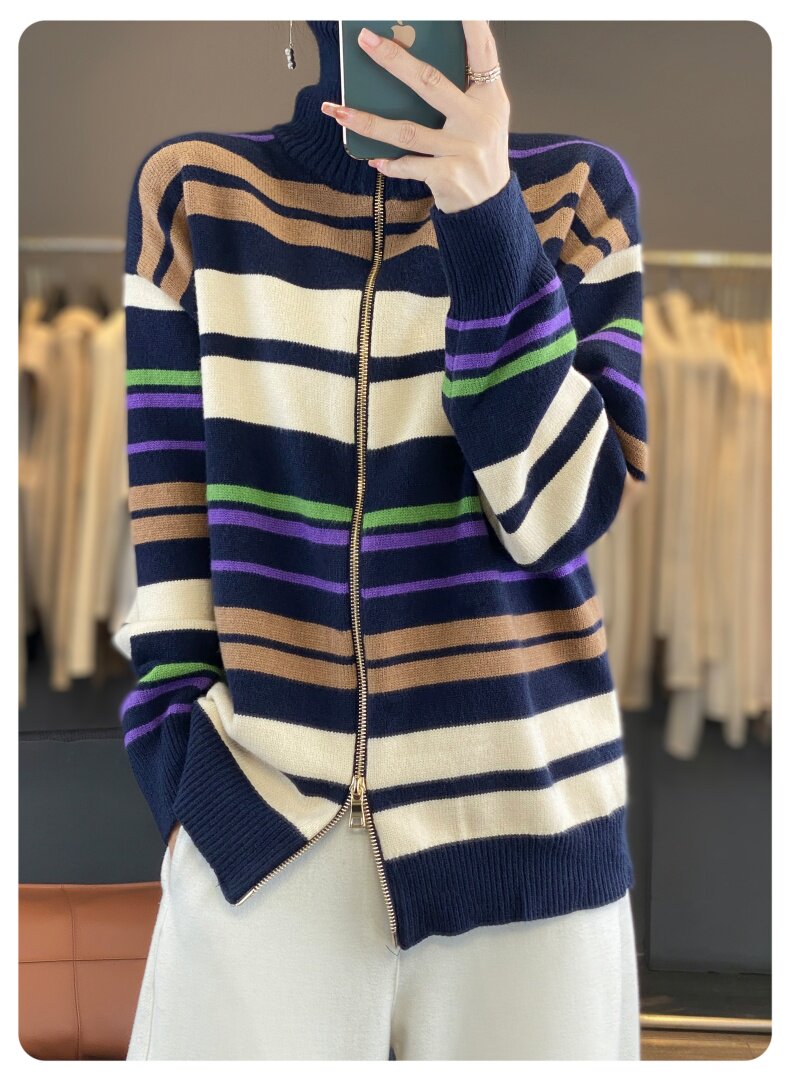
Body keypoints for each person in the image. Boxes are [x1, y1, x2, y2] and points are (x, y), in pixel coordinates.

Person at [117, 19, 648, 1061]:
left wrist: (487, 218)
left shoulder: (577, 195)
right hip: (266, 834)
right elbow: (171, 537)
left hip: (528, 839)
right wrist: (184, 783)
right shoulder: (196, 195)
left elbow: (558, 517)